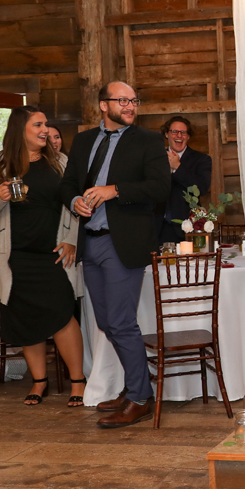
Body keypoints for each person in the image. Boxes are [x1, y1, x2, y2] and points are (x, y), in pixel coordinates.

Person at [60, 81, 171, 428]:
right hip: (89, 241)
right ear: (104, 105)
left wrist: (115, 190)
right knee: (107, 323)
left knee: (121, 322)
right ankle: (135, 387)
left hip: (123, 243)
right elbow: (68, 184)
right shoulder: (84, 140)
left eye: (134, 100)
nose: (130, 106)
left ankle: (140, 398)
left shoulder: (148, 141)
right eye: (122, 100)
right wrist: (74, 201)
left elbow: (160, 188)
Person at [0, 106, 86, 405]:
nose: (45, 130)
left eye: (46, 124)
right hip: (15, 258)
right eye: (38, 125)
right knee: (27, 318)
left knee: (63, 315)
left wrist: (72, 240)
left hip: (54, 254)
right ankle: (39, 382)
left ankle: (78, 381)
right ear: (20, 129)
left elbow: (76, 204)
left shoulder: (59, 162)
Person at [156, 116, 212, 244]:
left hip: (186, 228)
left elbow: (202, 188)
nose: (179, 135)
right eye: (174, 131)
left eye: (183, 132)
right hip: (157, 228)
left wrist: (178, 167)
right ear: (166, 134)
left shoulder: (201, 159)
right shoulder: (155, 158)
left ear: (188, 136)